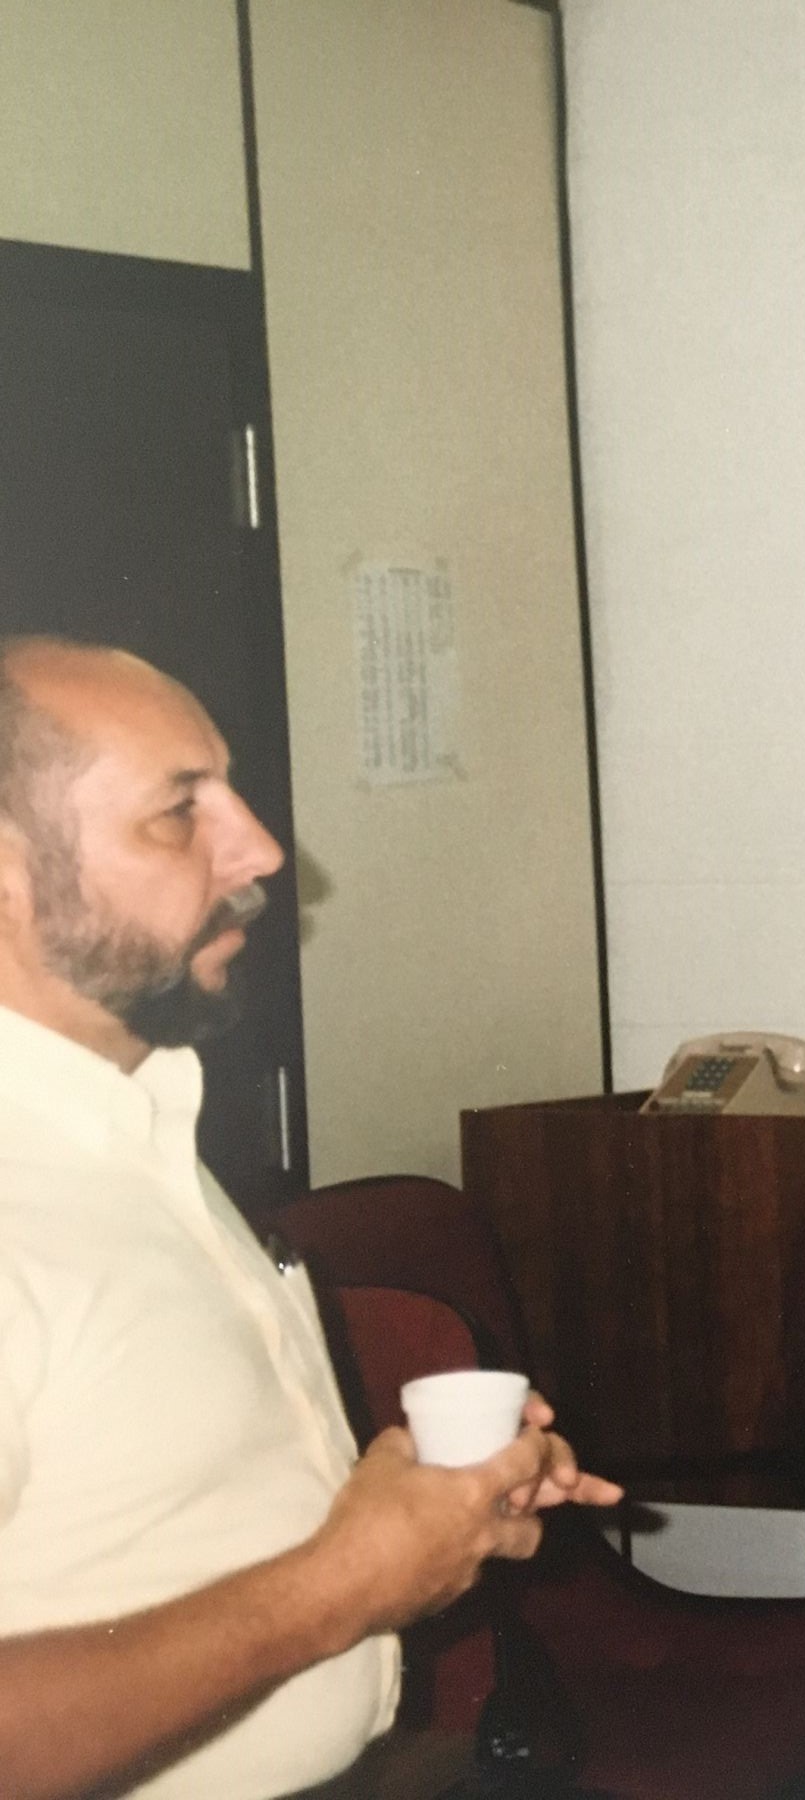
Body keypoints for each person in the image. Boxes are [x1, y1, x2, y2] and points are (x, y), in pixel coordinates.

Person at [0, 636, 623, 1800]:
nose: (264, 850)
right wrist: (347, 1581)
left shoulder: (140, 1125)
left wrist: (424, 1517)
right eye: (179, 812)